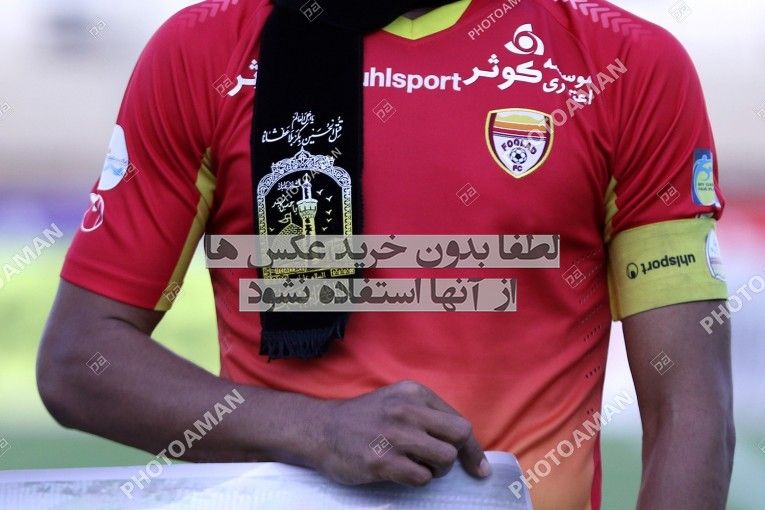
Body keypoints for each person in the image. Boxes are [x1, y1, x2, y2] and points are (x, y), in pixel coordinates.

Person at [37, 1, 734, 509]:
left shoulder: (625, 63)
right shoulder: (205, 50)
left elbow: (690, 411)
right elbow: (80, 360)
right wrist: (312, 429)